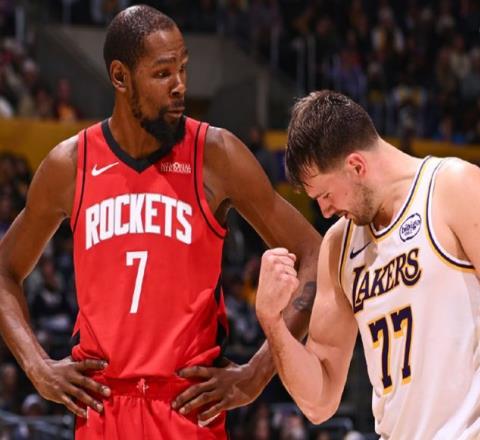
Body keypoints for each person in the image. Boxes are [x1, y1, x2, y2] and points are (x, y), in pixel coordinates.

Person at [0, 6, 321, 439]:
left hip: (187, 408)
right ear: (120, 77)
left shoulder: (216, 155)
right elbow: (5, 270)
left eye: (183, 68)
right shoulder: (71, 165)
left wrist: (256, 373)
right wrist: (38, 368)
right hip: (101, 409)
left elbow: (314, 253)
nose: (180, 85)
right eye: (163, 73)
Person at [255, 90, 480, 439]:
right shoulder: (338, 246)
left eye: (326, 195)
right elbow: (320, 401)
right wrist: (272, 322)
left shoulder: (453, 188)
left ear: (357, 166)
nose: (324, 210)